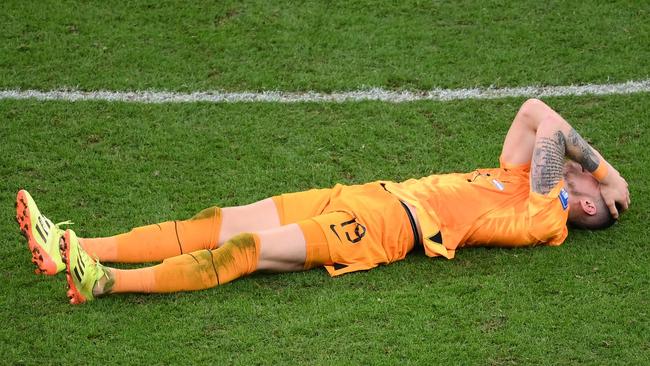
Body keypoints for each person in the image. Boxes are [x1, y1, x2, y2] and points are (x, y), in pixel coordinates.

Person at [15, 98, 630, 305]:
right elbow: (531, 111)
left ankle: (107, 282)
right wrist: (602, 173)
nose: (584, 179)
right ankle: (70, 246)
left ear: (585, 209)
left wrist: (612, 175)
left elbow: (552, 128)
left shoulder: (545, 214)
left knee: (245, 251)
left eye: (592, 191)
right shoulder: (521, 183)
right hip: (367, 195)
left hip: (390, 229)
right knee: (216, 222)